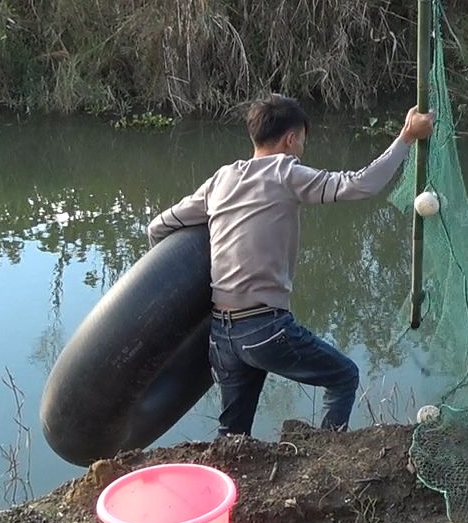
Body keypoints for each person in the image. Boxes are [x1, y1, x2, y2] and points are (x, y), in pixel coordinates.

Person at [146, 94, 435, 438]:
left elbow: (158, 228)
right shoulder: (286, 172)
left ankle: (227, 486)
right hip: (265, 331)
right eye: (302, 140)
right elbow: (360, 184)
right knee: (343, 377)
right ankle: (326, 454)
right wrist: (406, 137)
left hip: (222, 335)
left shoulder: (220, 180)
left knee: (232, 434)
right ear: (291, 138)